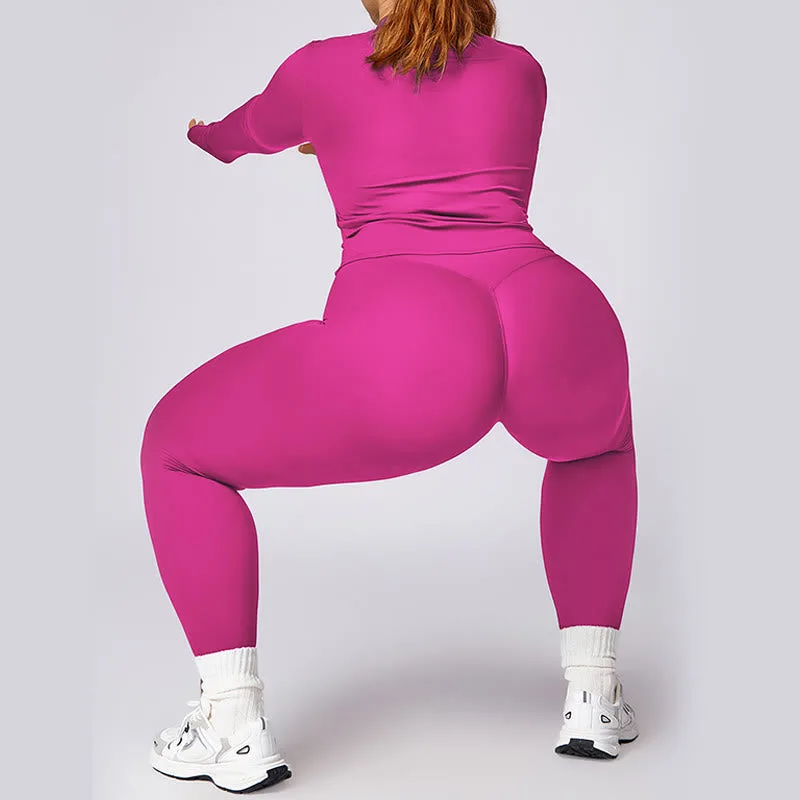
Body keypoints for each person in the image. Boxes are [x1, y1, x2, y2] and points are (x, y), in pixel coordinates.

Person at [142, 0, 639, 791]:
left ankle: (230, 727)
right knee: (597, 444)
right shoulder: (521, 71)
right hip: (553, 309)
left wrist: (211, 136)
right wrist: (334, 130)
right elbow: (440, 125)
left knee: (174, 445)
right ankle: (594, 696)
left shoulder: (318, 69)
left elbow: (250, 132)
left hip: (417, 341)